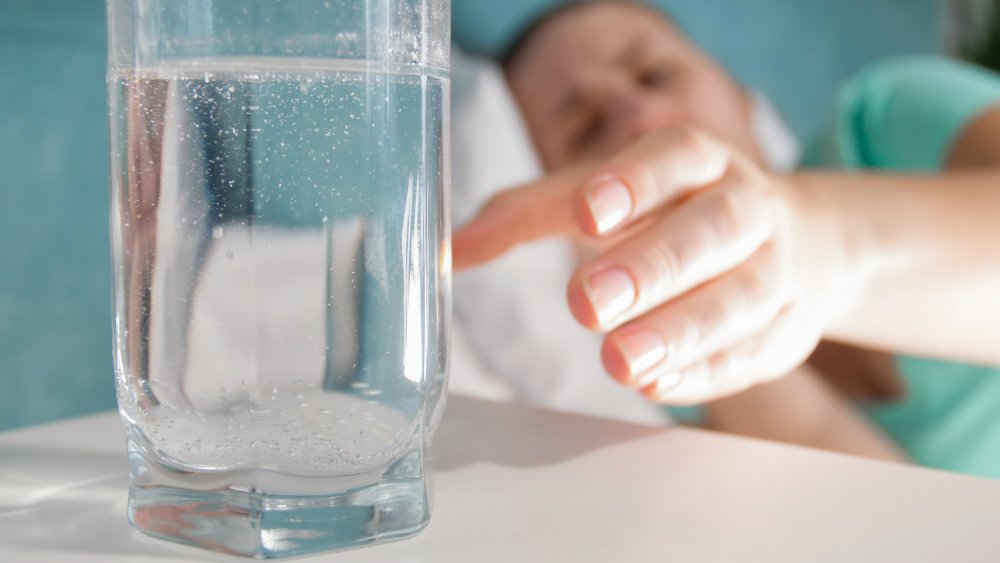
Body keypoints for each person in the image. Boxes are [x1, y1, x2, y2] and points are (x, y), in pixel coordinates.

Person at [452, 0, 1000, 477]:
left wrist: (817, 248)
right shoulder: (675, 386)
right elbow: (915, 520)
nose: (639, 116)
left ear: (740, 93)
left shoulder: (884, 123)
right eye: (585, 130)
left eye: (655, 73)